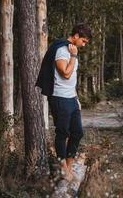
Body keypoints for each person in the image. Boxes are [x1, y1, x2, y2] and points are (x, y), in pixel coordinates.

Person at [36, 23, 92, 181]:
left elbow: (72, 80)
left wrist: (77, 98)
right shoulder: (62, 50)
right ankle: (63, 169)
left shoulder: (73, 49)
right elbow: (66, 74)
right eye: (84, 41)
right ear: (75, 36)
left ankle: (68, 167)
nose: (84, 45)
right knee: (62, 133)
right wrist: (73, 56)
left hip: (71, 98)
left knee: (77, 132)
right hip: (60, 98)